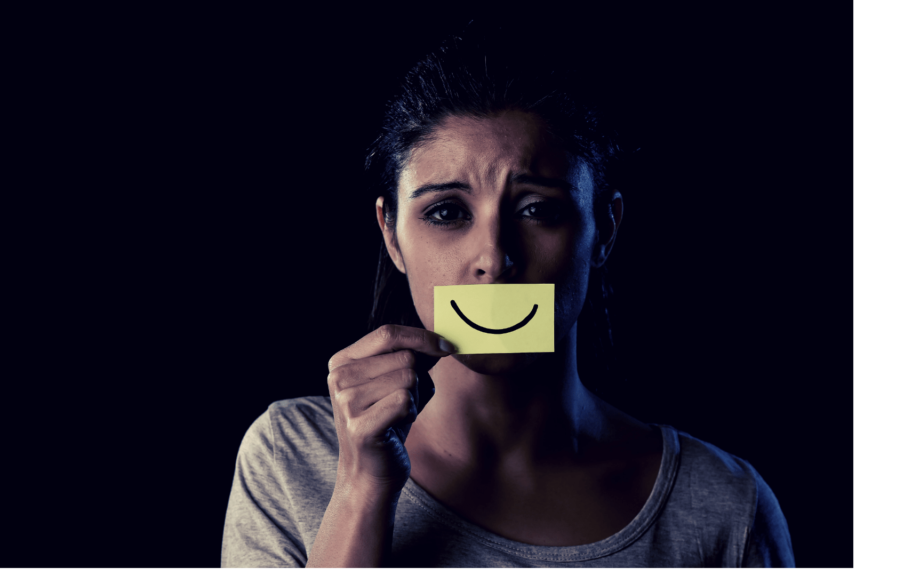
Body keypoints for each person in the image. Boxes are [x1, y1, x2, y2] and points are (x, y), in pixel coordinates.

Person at [221, 25, 795, 568]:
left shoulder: (726, 507)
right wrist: (361, 487)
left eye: (537, 210)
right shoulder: (288, 458)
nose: (494, 258)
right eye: (447, 212)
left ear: (605, 230)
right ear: (391, 236)